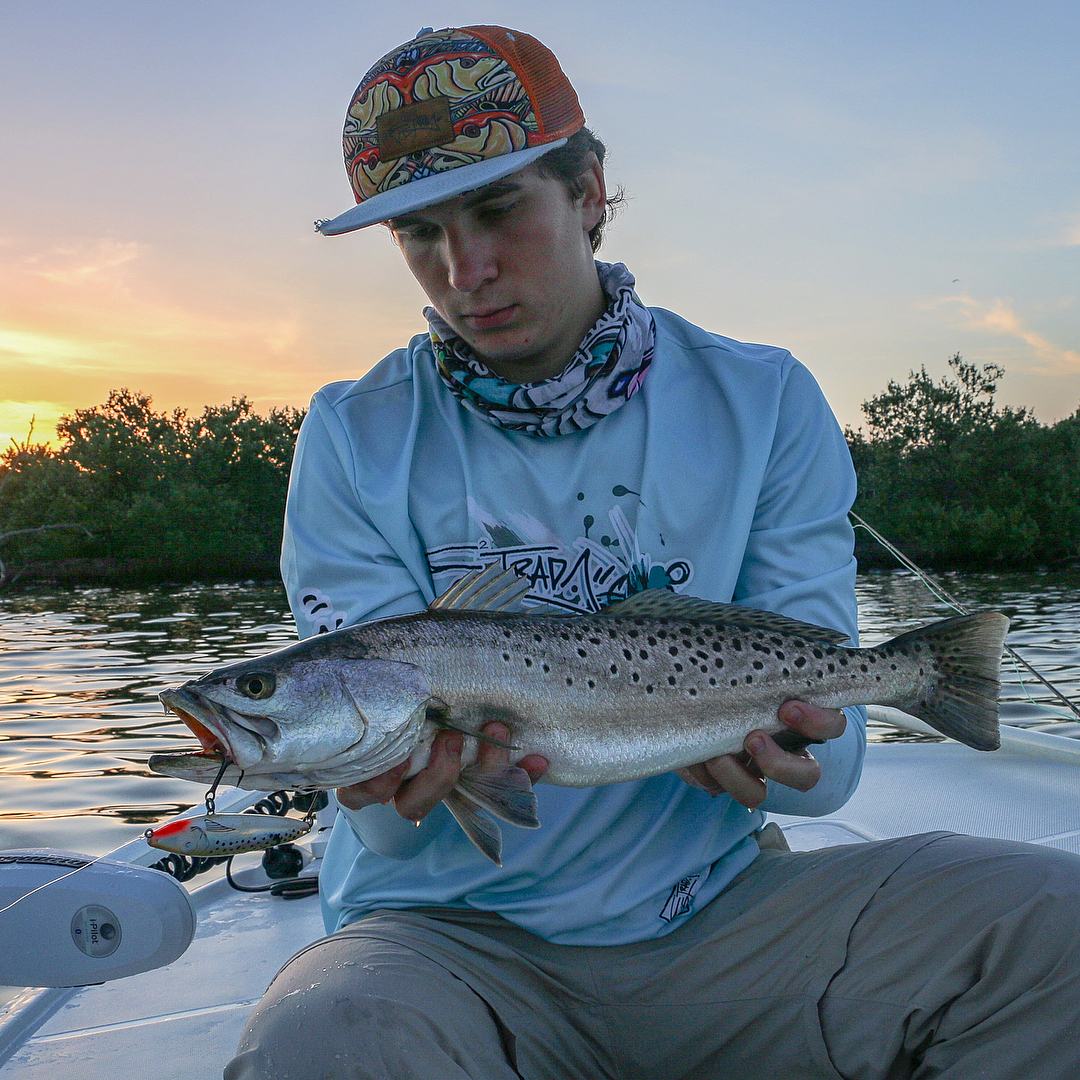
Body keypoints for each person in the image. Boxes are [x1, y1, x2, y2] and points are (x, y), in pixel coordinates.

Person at [225, 26, 1080, 1080]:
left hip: (728, 915)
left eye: (499, 211)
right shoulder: (353, 433)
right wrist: (378, 785)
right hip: (444, 944)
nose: (465, 271)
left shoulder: (762, 399)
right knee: (318, 1041)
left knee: (1060, 925)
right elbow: (397, 834)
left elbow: (831, 780)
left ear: (588, 190)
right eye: (418, 235)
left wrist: (787, 759)